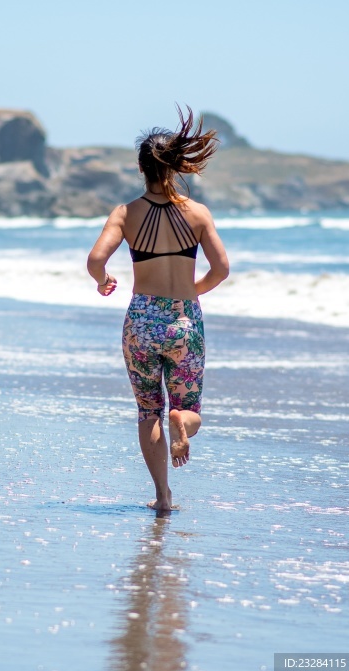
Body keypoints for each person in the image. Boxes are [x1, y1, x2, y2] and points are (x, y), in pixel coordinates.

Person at [86, 106, 230, 513]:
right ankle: (183, 421)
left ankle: (163, 497)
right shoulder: (197, 213)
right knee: (188, 407)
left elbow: (96, 260)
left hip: (142, 320)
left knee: (149, 410)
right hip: (185, 320)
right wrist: (191, 292)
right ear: (175, 165)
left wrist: (103, 281)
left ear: (140, 167)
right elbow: (221, 270)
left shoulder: (126, 213)